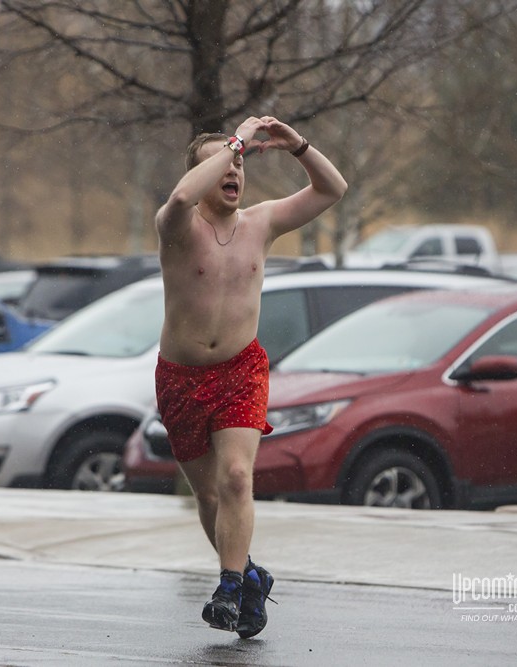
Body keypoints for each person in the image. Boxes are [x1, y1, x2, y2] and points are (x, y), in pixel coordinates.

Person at [155, 117, 347, 636]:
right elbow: (176, 198)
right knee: (210, 498)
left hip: (241, 370)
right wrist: (235, 139)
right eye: (224, 161)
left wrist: (299, 146)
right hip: (180, 377)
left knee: (237, 478)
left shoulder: (261, 223)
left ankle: (229, 587)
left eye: (240, 161)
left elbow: (333, 188)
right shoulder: (178, 227)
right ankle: (252, 576)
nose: (235, 168)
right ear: (202, 175)